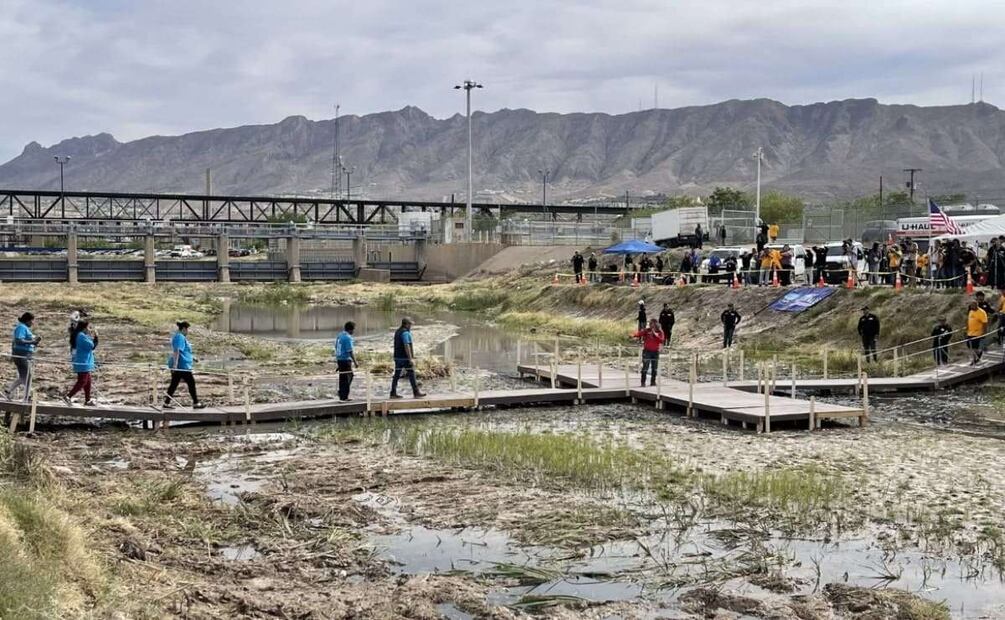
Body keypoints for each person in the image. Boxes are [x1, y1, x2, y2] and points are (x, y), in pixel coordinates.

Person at [164, 321, 206, 409]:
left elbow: (185, 351)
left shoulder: (180, 337)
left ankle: (166, 403)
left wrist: (193, 358)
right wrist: (175, 365)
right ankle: (196, 403)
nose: (188, 332)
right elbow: (177, 351)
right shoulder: (180, 337)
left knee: (174, 384)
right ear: (184, 329)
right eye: (187, 329)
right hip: (182, 366)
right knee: (191, 383)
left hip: (182, 365)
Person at [4, 312, 41, 401]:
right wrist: (32, 342)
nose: (33, 323)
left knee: (23, 376)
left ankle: (9, 390)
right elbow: (18, 340)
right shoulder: (21, 327)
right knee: (28, 376)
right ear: (27, 320)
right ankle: (27, 397)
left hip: (24, 355)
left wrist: (35, 341)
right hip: (21, 355)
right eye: (32, 321)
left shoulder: (24, 328)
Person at [390, 317, 426, 399]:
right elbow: (406, 345)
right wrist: (410, 359)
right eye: (410, 324)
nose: (411, 326)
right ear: (406, 324)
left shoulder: (397, 332)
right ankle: (416, 392)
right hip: (404, 358)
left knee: (396, 375)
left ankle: (393, 392)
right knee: (411, 374)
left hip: (397, 357)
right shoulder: (405, 333)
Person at [65, 319, 98, 406]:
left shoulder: (81, 335)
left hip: (84, 361)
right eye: (88, 327)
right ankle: (68, 396)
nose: (89, 329)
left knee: (88, 381)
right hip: (82, 362)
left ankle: (87, 400)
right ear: (84, 328)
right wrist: (96, 338)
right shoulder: (81, 336)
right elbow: (91, 346)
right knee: (82, 381)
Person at [635, 318, 665, 386]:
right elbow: (639, 334)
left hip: (655, 352)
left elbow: (661, 340)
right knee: (645, 367)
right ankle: (643, 382)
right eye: (650, 324)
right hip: (647, 351)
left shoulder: (660, 332)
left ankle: (653, 382)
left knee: (654, 368)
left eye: (653, 324)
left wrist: (654, 334)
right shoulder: (647, 331)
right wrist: (634, 335)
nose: (651, 325)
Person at [335, 321, 357, 401]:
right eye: (353, 330)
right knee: (348, 377)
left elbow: (336, 347)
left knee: (343, 378)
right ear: (350, 330)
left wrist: (338, 360)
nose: (353, 332)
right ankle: (344, 396)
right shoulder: (348, 338)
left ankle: (342, 393)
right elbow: (350, 351)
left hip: (340, 359)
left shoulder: (340, 335)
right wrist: (355, 362)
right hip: (345, 360)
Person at [966, 300, 989, 365]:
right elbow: (969, 321)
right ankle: (979, 353)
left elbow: (985, 323)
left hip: (977, 333)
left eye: (973, 305)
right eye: (971, 305)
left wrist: (984, 332)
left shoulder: (981, 312)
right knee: (969, 345)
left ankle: (974, 360)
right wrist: (966, 329)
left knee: (974, 346)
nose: (972, 306)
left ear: (977, 305)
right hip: (970, 332)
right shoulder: (970, 311)